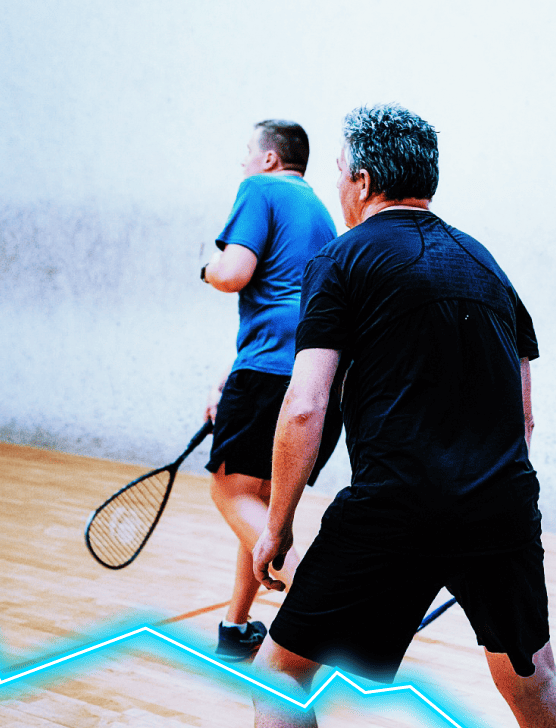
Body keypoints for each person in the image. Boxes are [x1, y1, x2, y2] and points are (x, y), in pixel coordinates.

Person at [250, 104, 556, 727]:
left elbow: (304, 407)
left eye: (339, 175)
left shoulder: (342, 260)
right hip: (501, 503)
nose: (338, 188)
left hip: (394, 506)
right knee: (534, 679)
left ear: (364, 182)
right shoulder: (489, 267)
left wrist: (278, 522)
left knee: (280, 675)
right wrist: (477, 505)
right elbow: (524, 419)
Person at [200, 119, 341, 661]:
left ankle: (317, 606)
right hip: (318, 377)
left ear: (268, 159)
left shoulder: (259, 189)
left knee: (230, 492)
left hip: (267, 375)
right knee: (259, 499)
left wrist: (207, 268)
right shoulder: (322, 215)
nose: (242, 164)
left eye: (246, 154)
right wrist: (232, 376)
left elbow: (235, 272)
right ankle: (236, 628)